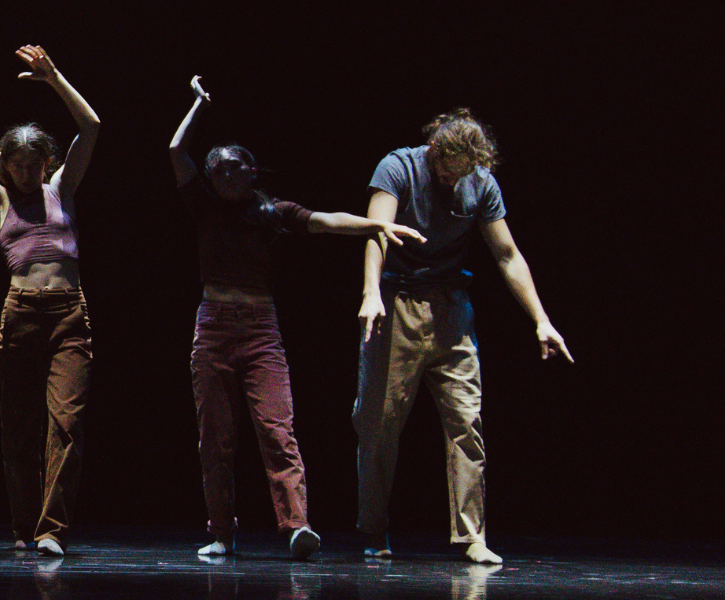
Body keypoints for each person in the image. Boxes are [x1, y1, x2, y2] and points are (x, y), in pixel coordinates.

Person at [167, 76, 426, 560]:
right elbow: (176, 147)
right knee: (215, 437)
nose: (224, 176)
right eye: (216, 170)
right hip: (214, 325)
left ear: (250, 172)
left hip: (261, 328)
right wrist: (199, 104)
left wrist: (378, 224)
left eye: (233, 168)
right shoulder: (201, 205)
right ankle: (221, 531)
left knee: (277, 429)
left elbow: (327, 220)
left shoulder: (272, 211)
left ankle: (297, 526)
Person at [354, 108, 575, 564]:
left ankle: (471, 536)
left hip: (452, 309)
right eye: (450, 172)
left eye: (465, 173)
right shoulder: (399, 167)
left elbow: (508, 255)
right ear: (436, 153)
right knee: (378, 423)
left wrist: (541, 318)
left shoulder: (480, 181)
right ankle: (374, 529)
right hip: (397, 305)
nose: (456, 182)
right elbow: (376, 233)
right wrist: (371, 292)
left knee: (466, 421)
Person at [0, 45, 98, 557]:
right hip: (19, 317)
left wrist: (54, 77)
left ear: (48, 162)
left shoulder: (61, 187)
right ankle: (24, 527)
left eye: (32, 163)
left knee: (66, 423)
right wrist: (2, 160)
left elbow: (92, 127)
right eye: (16, 164)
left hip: (68, 316)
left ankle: (52, 530)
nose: (23, 172)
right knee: (17, 428)